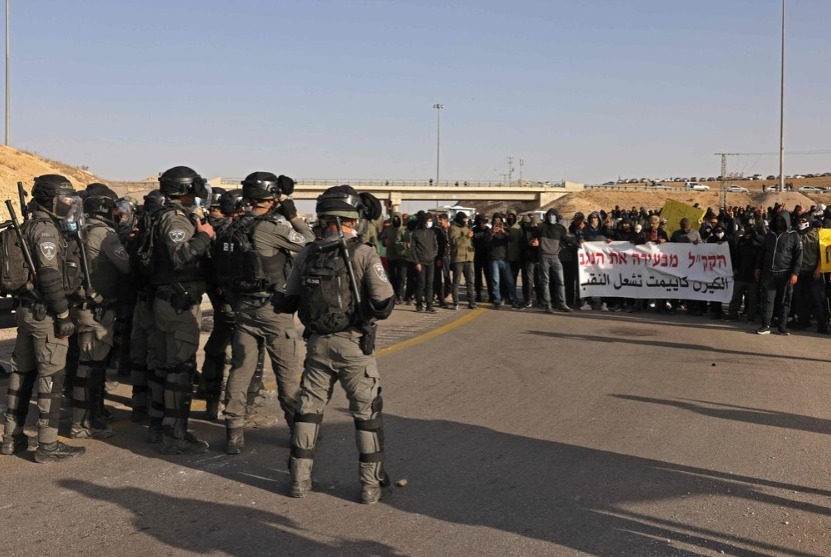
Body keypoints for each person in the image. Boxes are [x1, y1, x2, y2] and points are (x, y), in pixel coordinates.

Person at [276, 185, 395, 504]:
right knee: (367, 415)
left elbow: (287, 301)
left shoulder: (308, 252)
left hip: (317, 346)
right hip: (354, 346)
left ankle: (299, 482)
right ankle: (370, 487)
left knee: (308, 412)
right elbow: (384, 303)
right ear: (351, 218)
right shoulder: (365, 252)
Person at [219, 172, 313, 455]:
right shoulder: (271, 228)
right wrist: (294, 216)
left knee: (240, 369)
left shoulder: (233, 226)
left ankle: (234, 432)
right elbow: (310, 245)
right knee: (287, 373)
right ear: (272, 197)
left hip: (243, 309)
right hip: (273, 309)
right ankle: (297, 429)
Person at [2, 174, 86, 462]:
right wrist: (63, 314)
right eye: (63, 200)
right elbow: (50, 277)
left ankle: (11, 438)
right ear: (49, 200)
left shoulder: (29, 225)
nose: (67, 205)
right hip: (45, 313)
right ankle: (48, 444)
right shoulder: (46, 230)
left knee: (21, 374)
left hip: (26, 311)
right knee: (51, 375)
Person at [149, 166, 215, 454]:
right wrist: (205, 236)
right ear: (187, 189)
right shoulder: (176, 219)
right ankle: (173, 436)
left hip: (167, 300)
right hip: (177, 305)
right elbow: (181, 257)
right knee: (180, 370)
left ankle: (162, 427)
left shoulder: (167, 215)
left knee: (166, 366)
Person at [69, 184, 131, 439]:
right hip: (96, 310)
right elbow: (126, 266)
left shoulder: (79, 230)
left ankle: (93, 414)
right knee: (90, 368)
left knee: (90, 365)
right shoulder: (104, 234)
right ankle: (81, 424)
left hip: (82, 307)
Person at [755, 211, 802, 335]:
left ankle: (782, 326)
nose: (779, 222)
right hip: (768, 273)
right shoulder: (769, 235)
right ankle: (765, 325)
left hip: (785, 274)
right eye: (777, 219)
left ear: (787, 220)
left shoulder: (794, 235)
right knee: (767, 299)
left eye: (782, 219)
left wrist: (795, 273)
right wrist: (758, 268)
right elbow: (762, 252)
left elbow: (798, 256)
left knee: (785, 300)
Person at [792, 214, 828, 334]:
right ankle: (802, 322)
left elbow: (821, 254)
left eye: (804, 220)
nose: (801, 222)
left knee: (817, 299)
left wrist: (818, 269)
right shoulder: (795, 234)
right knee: (800, 298)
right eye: (800, 220)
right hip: (799, 271)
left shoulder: (816, 235)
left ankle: (822, 326)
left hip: (813, 271)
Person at [536, 208, 573, 313]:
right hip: (544, 257)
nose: (550, 216)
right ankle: (548, 305)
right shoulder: (541, 227)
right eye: (549, 215)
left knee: (561, 281)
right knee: (545, 282)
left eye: (553, 215)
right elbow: (533, 236)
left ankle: (562, 303)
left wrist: (578, 243)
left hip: (555, 257)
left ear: (556, 216)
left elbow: (566, 239)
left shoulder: (560, 228)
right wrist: (533, 240)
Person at [488, 213, 522, 309]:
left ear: (502, 222)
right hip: (494, 259)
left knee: (510, 281)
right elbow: (486, 242)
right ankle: (497, 301)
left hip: (504, 259)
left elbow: (512, 239)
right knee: (496, 281)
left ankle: (514, 301)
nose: (497, 223)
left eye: (499, 220)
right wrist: (492, 233)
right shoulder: (490, 231)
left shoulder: (506, 230)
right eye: (495, 220)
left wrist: (503, 231)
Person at [410, 210, 438, 312]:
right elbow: (412, 248)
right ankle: (419, 304)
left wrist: (434, 255)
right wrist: (416, 262)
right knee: (421, 283)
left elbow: (435, 245)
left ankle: (429, 305)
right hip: (421, 262)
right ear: (423, 221)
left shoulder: (432, 232)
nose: (430, 222)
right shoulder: (416, 233)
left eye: (431, 220)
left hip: (431, 261)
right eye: (428, 220)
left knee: (430, 284)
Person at [448, 211, 476, 309]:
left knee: (470, 281)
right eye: (463, 220)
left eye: (466, 220)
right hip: (458, 258)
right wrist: (466, 236)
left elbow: (470, 242)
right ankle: (456, 302)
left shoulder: (467, 228)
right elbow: (455, 242)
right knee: (456, 281)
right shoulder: (452, 228)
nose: (465, 222)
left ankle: (472, 302)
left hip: (468, 258)